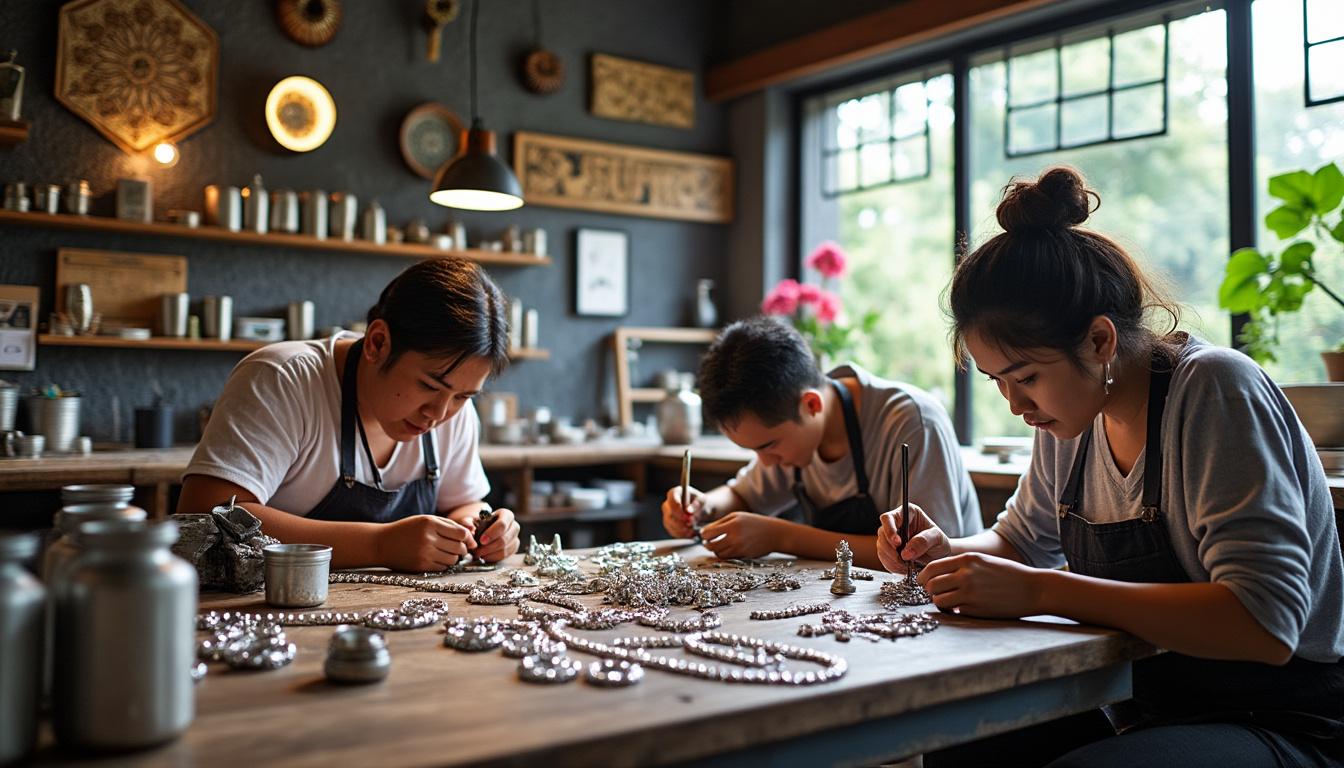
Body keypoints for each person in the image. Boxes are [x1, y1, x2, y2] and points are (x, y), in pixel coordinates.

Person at [878, 167, 1344, 767]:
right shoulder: (1071, 413)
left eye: (1026, 378)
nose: (1016, 405)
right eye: (998, 383)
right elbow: (1022, 542)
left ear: (1100, 341)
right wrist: (945, 550)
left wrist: (1043, 591)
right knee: (952, 736)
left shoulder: (1214, 390)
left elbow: (1264, 622)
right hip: (1142, 705)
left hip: (1283, 721)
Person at [178, 258, 521, 572]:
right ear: (377, 343)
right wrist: (379, 544)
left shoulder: (453, 409)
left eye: (462, 396)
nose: (440, 413)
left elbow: (463, 503)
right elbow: (204, 515)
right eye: (429, 386)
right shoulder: (283, 378)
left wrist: (481, 529)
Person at [663, 316, 981, 570]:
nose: (766, 462)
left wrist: (781, 536)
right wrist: (702, 506)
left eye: (768, 446)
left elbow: (922, 554)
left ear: (811, 405)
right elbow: (742, 496)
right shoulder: (793, 436)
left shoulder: (912, 422)